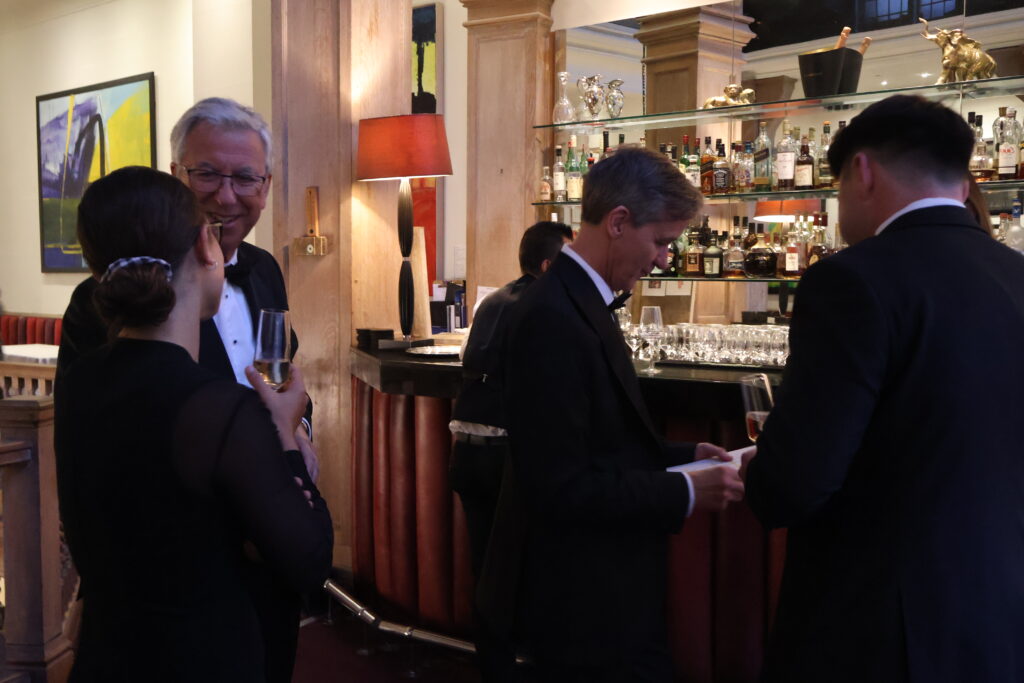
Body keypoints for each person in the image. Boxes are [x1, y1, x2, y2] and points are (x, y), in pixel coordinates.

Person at [743, 95, 1024, 682]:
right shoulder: (1014, 275)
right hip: (997, 613)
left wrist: (756, 469)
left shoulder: (852, 281)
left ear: (862, 171)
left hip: (878, 627)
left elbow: (795, 483)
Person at [55, 97, 312, 682]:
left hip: (269, 565)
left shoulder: (267, 269)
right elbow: (93, 460)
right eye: (208, 174)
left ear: (267, 186)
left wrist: (300, 430)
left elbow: (281, 375)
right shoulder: (95, 308)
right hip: (178, 581)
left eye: (245, 176)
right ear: (176, 178)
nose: (227, 195)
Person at [485, 147, 745, 682]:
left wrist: (685, 456)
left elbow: (604, 443)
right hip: (579, 599)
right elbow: (558, 486)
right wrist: (688, 491)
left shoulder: (578, 301)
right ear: (619, 222)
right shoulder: (550, 317)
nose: (665, 260)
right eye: (663, 241)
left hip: (606, 586)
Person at [449, 220, 573, 682]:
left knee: (487, 570)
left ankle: (495, 668)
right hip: (509, 456)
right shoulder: (546, 306)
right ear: (548, 265)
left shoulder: (494, 300)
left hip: (468, 448)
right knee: (530, 572)